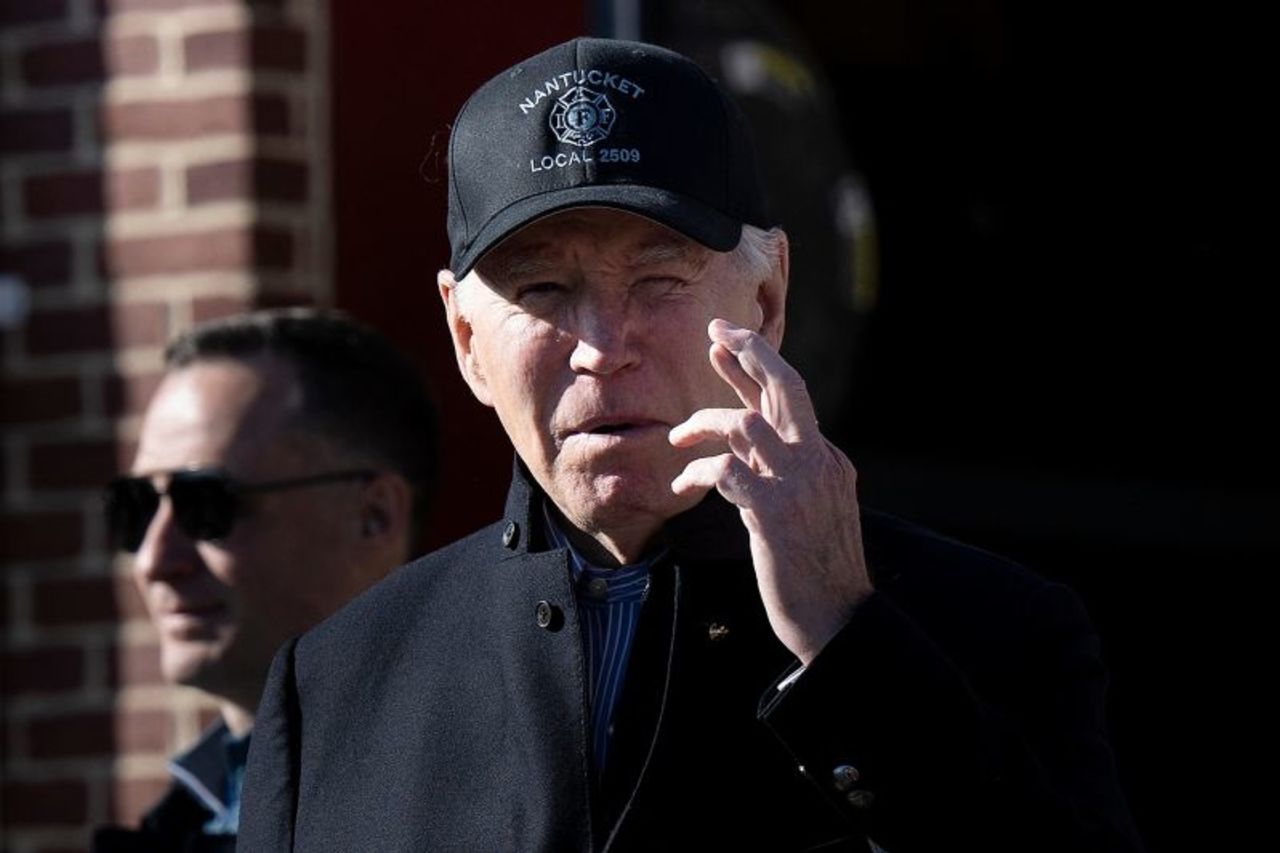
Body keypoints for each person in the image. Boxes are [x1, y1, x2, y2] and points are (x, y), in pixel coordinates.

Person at [240, 39, 1142, 852]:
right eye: (544, 288)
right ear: (466, 341)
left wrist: (846, 643)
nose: (601, 343)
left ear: (769, 300)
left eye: (660, 278)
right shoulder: (335, 691)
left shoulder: (994, 634)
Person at [93, 309, 438, 852]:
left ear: (374, 516)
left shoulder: (483, 797)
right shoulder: (181, 823)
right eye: (136, 508)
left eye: (206, 505)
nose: (154, 560)